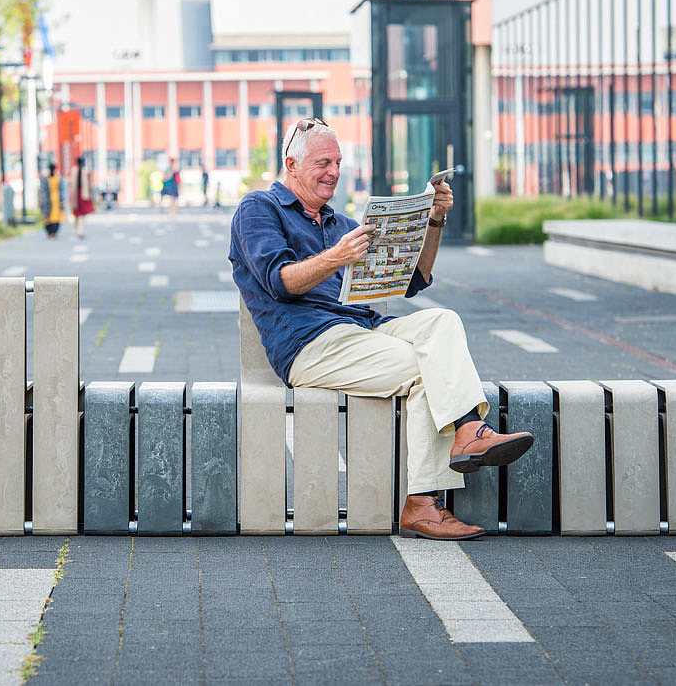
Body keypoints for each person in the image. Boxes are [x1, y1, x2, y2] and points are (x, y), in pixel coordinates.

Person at [229, 118, 534, 541]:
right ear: (291, 164)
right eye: (322, 162)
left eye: (337, 162)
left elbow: (415, 279)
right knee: (429, 367)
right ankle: (428, 497)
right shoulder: (258, 209)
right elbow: (279, 281)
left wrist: (435, 221)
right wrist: (336, 258)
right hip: (309, 344)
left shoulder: (340, 223)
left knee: (443, 322)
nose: (333, 172)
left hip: (364, 332)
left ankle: (463, 440)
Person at [70, 155, 94, 240]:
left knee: (79, 215)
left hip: (79, 195)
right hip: (79, 195)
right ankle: (79, 231)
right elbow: (90, 185)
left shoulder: (75, 171)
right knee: (79, 215)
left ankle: (78, 231)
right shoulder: (82, 171)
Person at [39, 162, 63, 239]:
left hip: (53, 199)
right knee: (51, 216)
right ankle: (51, 232)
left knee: (52, 216)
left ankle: (52, 232)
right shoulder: (55, 178)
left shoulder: (53, 178)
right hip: (52, 199)